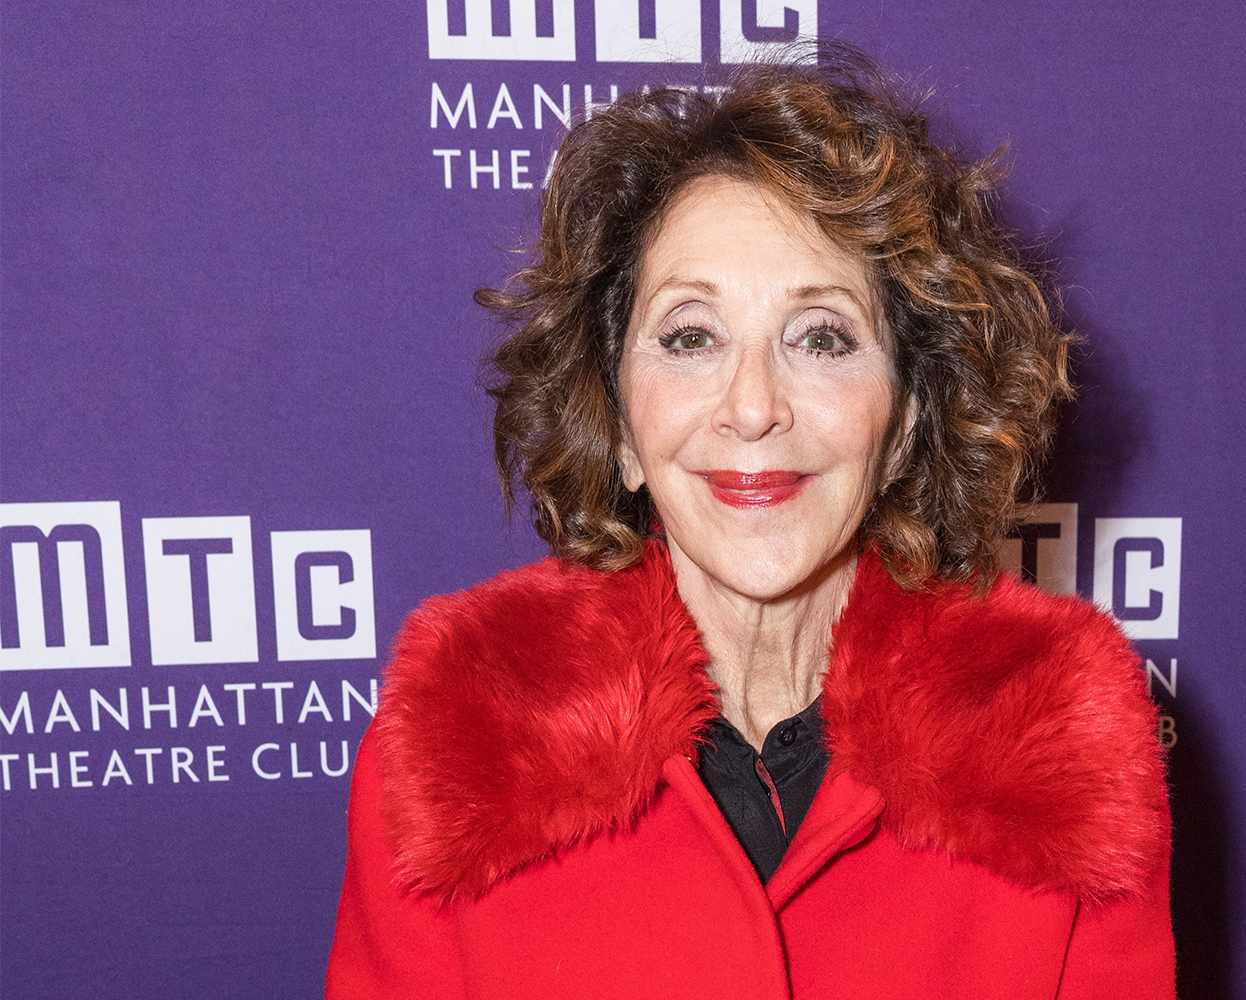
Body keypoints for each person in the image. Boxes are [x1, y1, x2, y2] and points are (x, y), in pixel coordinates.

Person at [325, 40, 1175, 999]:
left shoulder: (1057, 728)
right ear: (617, 422)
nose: (754, 405)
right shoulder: (463, 727)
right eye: (691, 336)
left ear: (906, 420)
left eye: (821, 338)